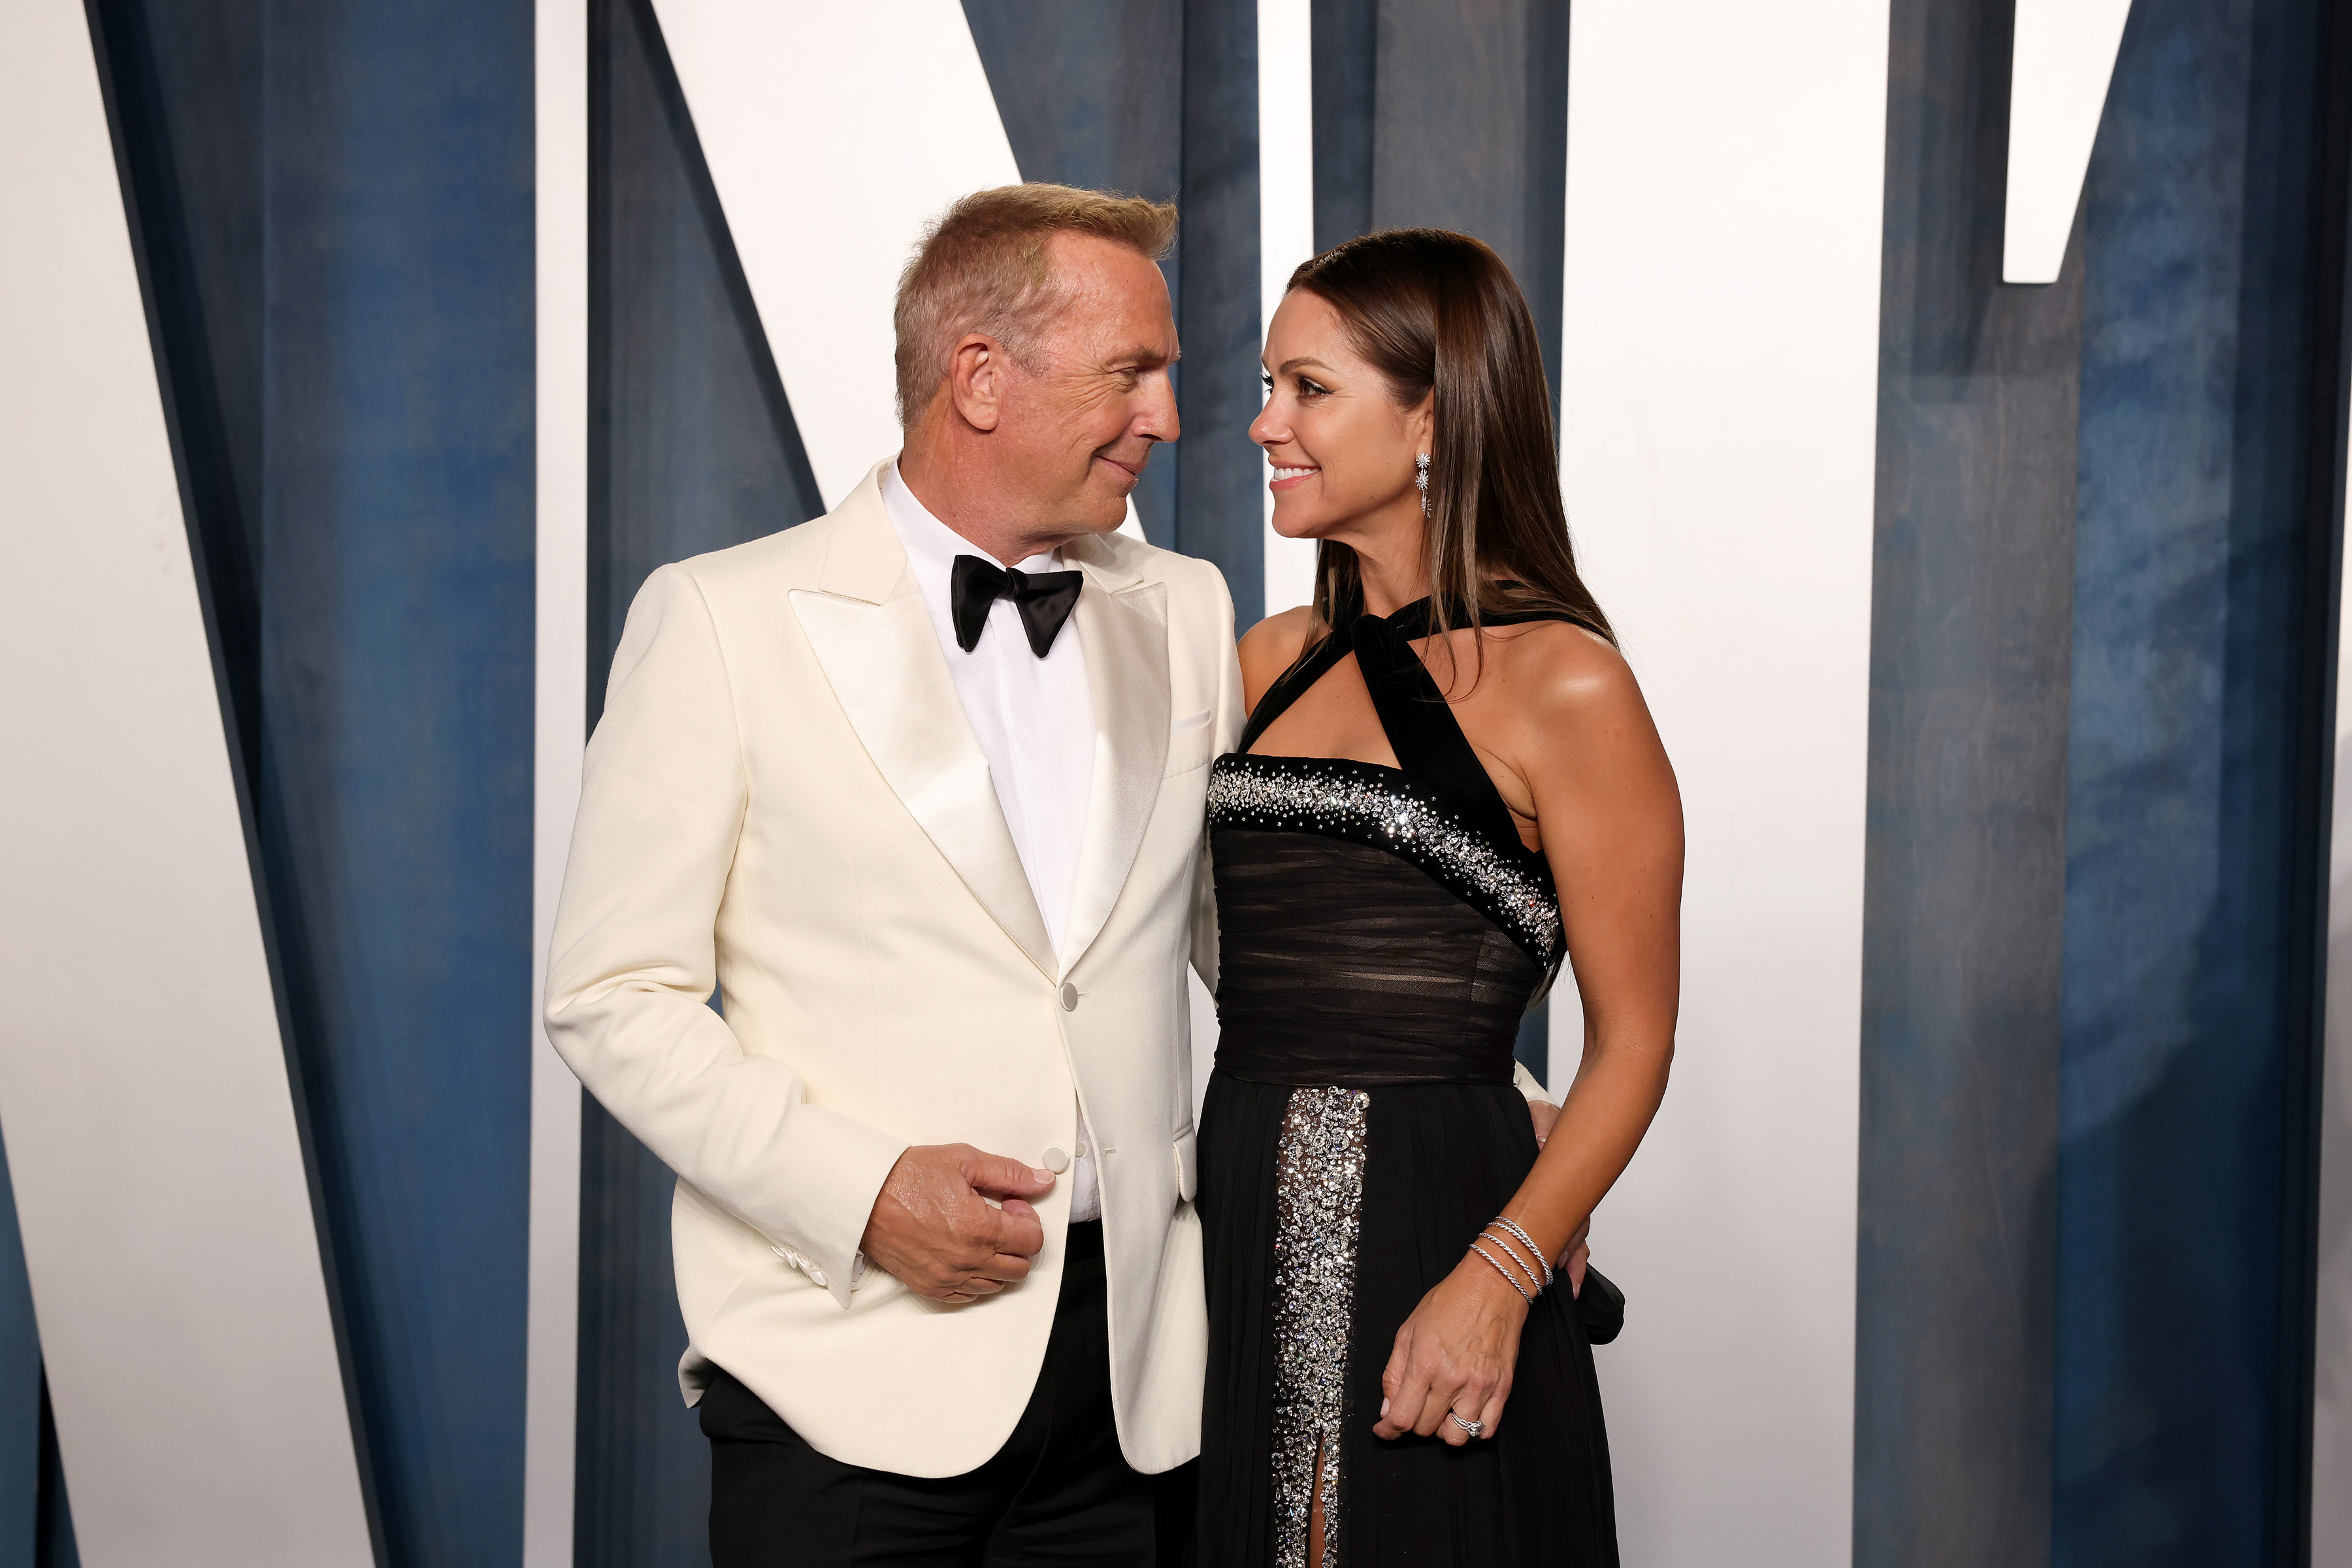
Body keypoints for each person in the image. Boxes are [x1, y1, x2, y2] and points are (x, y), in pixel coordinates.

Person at [544, 184, 1235, 1565]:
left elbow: (1260, 942)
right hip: (842, 1378)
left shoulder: (1193, 609)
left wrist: (1481, 1103)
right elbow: (613, 995)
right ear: (980, 376)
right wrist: (862, 1193)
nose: (1166, 415)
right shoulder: (720, 621)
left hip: (1135, 1388)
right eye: (1131, 372)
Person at [1196, 229, 1682, 1566]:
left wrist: (1502, 1271)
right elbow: (1241, 946)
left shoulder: (1565, 684)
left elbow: (1634, 1040)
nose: (1262, 424)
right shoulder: (1266, 660)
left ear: (1431, 415)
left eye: (1308, 389)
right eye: (1268, 386)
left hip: (1439, 1219)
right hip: (1236, 1209)